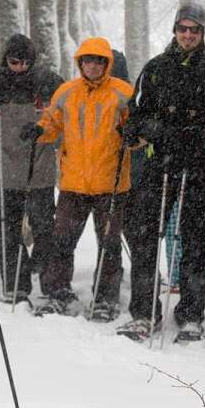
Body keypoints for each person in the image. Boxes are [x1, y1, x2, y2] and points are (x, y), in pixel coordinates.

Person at [118, 3, 205, 343]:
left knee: (194, 235)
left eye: (194, 30)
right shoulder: (156, 68)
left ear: (202, 33)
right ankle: (144, 311)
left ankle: (191, 313)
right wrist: (154, 129)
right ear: (174, 30)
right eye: (183, 29)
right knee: (146, 233)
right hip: (161, 161)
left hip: (200, 165)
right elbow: (135, 113)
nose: (187, 35)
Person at [22, 37, 133, 320]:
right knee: (62, 240)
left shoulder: (122, 93)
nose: (92, 66)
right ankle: (57, 292)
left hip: (111, 182)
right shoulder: (67, 92)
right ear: (80, 63)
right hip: (74, 182)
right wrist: (38, 130)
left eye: (98, 61)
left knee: (108, 243)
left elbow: (138, 131)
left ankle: (106, 298)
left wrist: (135, 135)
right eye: (87, 60)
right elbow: (52, 122)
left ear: (106, 64)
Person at [0, 34, 63, 301]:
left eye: (25, 62)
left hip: (39, 169)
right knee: (8, 231)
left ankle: (50, 284)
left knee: (44, 229)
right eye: (14, 61)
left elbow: (63, 117)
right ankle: (16, 283)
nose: (19, 67)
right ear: (5, 59)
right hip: (4, 170)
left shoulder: (49, 81)